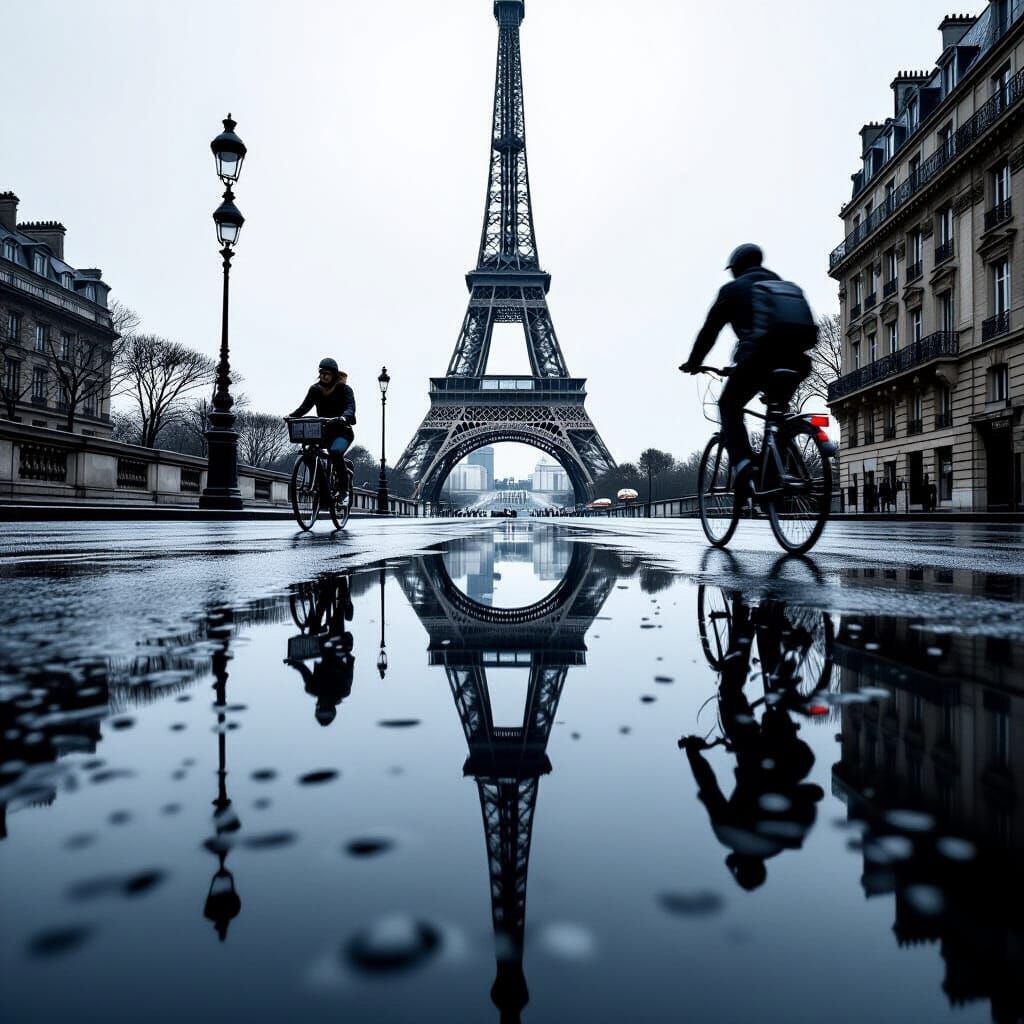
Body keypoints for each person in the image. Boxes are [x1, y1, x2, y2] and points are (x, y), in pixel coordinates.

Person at [679, 244, 813, 496]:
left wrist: (694, 362)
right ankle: (774, 477)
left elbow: (710, 331)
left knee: (729, 405)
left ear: (736, 267)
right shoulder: (782, 286)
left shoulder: (733, 289)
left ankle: (743, 465)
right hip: (798, 362)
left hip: (759, 360)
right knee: (776, 415)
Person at [288, 358, 356, 499]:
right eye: (322, 373)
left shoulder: (344, 389)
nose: (324, 376)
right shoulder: (315, 390)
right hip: (324, 432)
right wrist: (291, 416)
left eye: (327, 373)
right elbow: (305, 407)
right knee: (308, 454)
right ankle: (321, 485)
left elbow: (350, 407)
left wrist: (344, 417)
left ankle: (343, 491)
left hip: (343, 432)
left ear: (334, 375)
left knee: (335, 452)